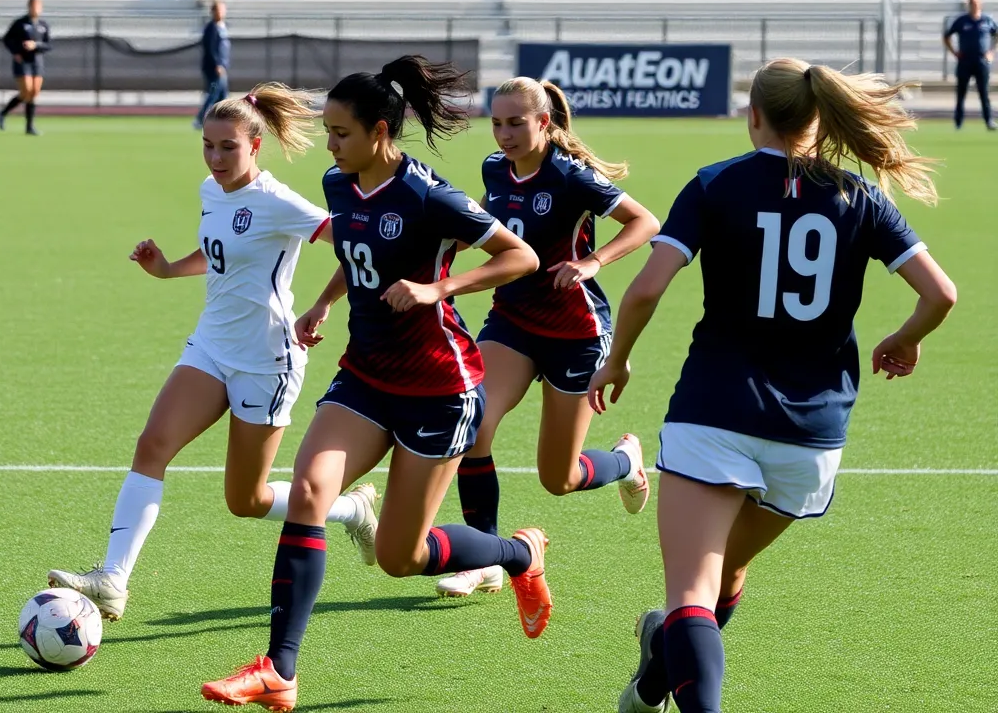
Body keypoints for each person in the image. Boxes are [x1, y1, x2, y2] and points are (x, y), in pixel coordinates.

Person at [588, 58, 956, 713]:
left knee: (693, 594)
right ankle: (652, 683)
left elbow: (646, 288)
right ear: (820, 118)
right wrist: (905, 339)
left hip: (713, 412)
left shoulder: (715, 184)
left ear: (752, 114)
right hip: (810, 435)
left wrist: (616, 361)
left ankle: (666, 667)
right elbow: (940, 294)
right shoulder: (858, 196)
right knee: (726, 574)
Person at [201, 57, 547, 712]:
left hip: (439, 389)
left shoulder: (426, 194)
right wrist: (327, 302)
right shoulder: (339, 184)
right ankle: (280, 671)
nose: (329, 146)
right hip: (364, 375)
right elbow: (354, 253)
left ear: (380, 132)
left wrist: (437, 287)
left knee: (400, 556)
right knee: (307, 490)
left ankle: (518, 554)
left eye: (340, 133)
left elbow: (520, 256)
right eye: (327, 132)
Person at [48, 83, 379, 622]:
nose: (216, 157)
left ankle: (350, 509)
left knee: (244, 500)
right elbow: (218, 253)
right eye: (208, 145)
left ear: (255, 145)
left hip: (266, 361)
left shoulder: (278, 202)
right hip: (211, 346)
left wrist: (322, 304)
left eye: (229, 147)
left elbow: (363, 242)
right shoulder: (211, 191)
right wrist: (168, 268)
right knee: (152, 445)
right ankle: (113, 579)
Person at [432, 77, 660, 599]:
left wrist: (592, 261)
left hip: (575, 334)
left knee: (558, 478)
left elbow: (644, 222)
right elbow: (498, 230)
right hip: (513, 321)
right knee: (475, 426)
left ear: (544, 123)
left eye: (516, 122)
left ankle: (625, 462)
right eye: (496, 122)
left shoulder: (571, 176)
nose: (504, 134)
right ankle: (485, 556)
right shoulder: (495, 168)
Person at [0, 0, 51, 136]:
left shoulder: (43, 25)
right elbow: (7, 39)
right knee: (26, 90)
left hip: (37, 61)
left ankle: (29, 127)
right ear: (28, 7)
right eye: (33, 6)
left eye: (38, 6)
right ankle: (3, 113)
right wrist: (16, 52)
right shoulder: (19, 23)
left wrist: (36, 45)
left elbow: (48, 45)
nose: (35, 9)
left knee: (33, 93)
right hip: (22, 61)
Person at [943, 0, 996, 131]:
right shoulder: (962, 21)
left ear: (980, 3)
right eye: (972, 3)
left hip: (981, 61)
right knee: (961, 93)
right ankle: (958, 122)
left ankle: (988, 120)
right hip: (965, 61)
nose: (974, 5)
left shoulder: (987, 20)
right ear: (969, 4)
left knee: (984, 93)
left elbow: (996, 35)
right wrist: (954, 52)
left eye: (976, 2)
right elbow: (947, 36)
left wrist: (991, 52)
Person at [194, 1, 230, 130]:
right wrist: (218, 64)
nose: (221, 13)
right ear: (213, 12)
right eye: (218, 10)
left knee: (223, 96)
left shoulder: (223, 26)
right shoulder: (211, 28)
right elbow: (211, 48)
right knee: (213, 94)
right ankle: (199, 119)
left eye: (222, 10)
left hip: (222, 67)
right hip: (214, 68)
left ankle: (222, 121)